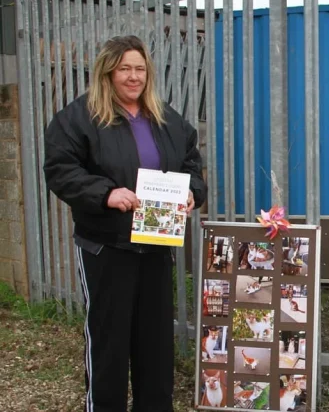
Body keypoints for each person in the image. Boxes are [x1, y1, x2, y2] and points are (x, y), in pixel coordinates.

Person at [43, 35, 207, 412]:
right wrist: (105, 194)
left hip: (155, 244)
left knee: (154, 341)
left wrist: (192, 193)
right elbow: (61, 170)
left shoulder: (165, 119)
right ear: (107, 72)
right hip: (106, 246)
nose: (134, 77)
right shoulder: (79, 118)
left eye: (139, 68)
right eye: (124, 69)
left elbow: (191, 166)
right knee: (109, 341)